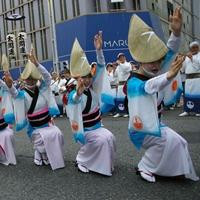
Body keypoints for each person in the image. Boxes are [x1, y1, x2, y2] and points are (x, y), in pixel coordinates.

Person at [127, 8, 199, 182]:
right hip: (141, 129)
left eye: (158, 61)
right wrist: (168, 75)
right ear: (140, 61)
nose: (156, 65)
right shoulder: (133, 82)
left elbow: (170, 51)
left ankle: (173, 170)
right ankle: (145, 166)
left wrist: (175, 32)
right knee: (164, 142)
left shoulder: (156, 69)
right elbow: (149, 86)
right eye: (151, 61)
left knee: (180, 142)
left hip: (156, 124)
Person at [4, 50, 65, 170]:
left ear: (36, 79)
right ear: (24, 80)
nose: (31, 81)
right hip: (34, 128)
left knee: (57, 134)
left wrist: (37, 63)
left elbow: (47, 77)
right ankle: (39, 152)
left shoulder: (43, 89)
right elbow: (14, 94)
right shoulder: (21, 94)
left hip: (48, 124)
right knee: (43, 139)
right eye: (28, 79)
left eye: (33, 79)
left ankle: (45, 154)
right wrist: (10, 85)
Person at [66, 32, 116, 176]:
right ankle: (81, 160)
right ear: (78, 78)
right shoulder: (72, 93)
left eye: (89, 76)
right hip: (86, 131)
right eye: (84, 77)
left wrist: (99, 50)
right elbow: (74, 101)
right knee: (101, 141)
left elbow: (101, 66)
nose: (87, 80)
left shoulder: (94, 86)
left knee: (110, 137)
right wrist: (78, 94)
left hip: (98, 126)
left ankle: (102, 164)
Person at [0, 55, 16, 166]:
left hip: (2, 125)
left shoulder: (3, 90)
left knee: (7, 135)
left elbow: (8, 88)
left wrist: (7, 79)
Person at [179, 41, 200, 117]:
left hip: (197, 79)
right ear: (190, 48)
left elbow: (198, 66)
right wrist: (181, 60)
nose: (194, 49)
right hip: (188, 79)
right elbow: (183, 69)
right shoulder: (187, 57)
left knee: (197, 94)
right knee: (187, 95)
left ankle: (198, 110)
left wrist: (192, 59)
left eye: (196, 47)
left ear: (198, 48)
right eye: (192, 47)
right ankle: (187, 110)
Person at [113, 53, 132, 118]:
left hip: (126, 84)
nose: (121, 58)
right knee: (119, 99)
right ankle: (119, 112)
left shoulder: (128, 64)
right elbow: (115, 75)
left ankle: (127, 112)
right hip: (120, 85)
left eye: (122, 57)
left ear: (124, 57)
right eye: (119, 58)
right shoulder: (118, 66)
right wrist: (114, 68)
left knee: (125, 99)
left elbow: (127, 70)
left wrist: (119, 64)